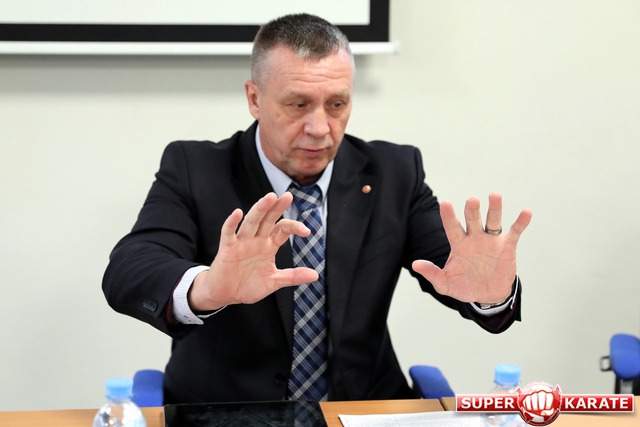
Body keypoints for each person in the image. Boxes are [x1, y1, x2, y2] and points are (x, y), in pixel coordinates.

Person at [102, 13, 532, 404]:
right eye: (298, 104)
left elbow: (452, 266)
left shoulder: (394, 172)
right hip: (228, 411)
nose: (320, 128)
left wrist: (491, 295)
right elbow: (130, 267)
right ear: (254, 98)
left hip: (362, 409)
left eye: (337, 105)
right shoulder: (196, 169)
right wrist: (207, 288)